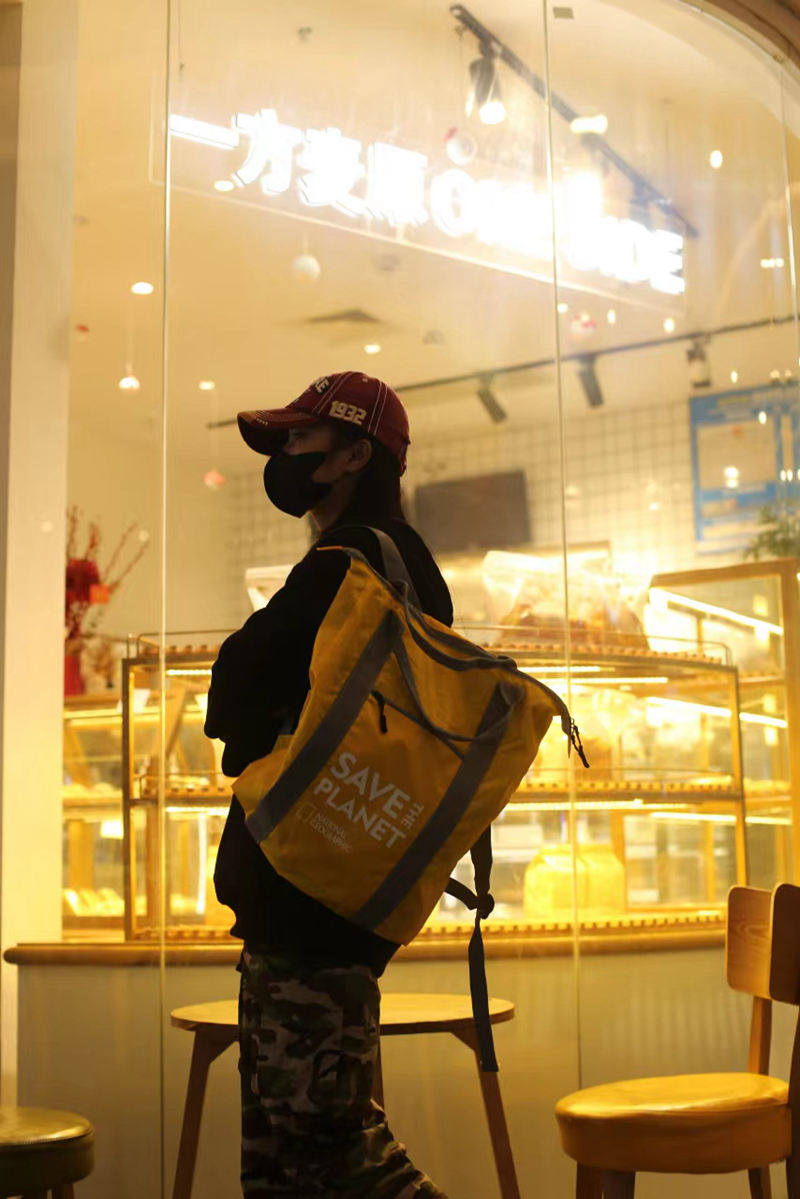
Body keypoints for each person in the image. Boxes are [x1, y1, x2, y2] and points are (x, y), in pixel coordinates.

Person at [205, 371, 452, 1198]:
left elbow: (240, 684)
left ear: (354, 454)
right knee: (280, 1163)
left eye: (300, 438)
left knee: (332, 1152)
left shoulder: (353, 560)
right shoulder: (394, 561)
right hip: (334, 882)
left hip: (309, 894)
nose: (283, 455)